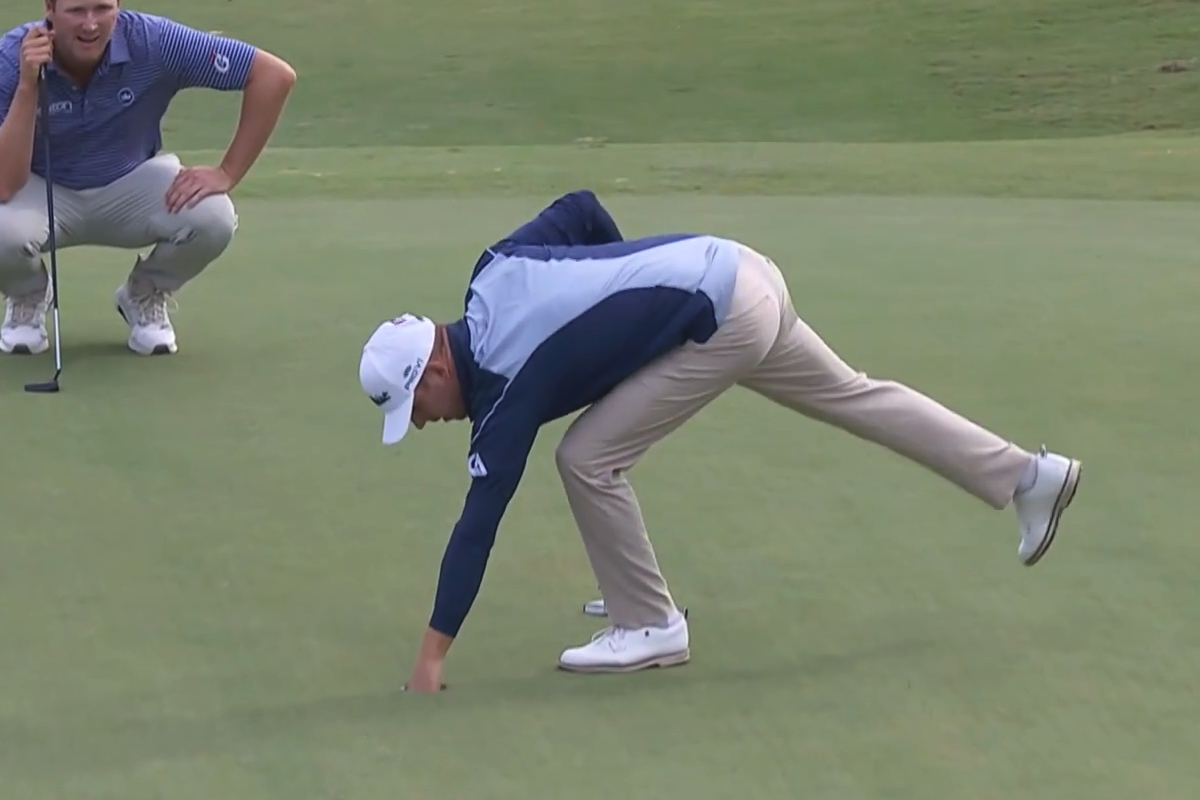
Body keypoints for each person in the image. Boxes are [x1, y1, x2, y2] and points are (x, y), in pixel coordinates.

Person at [357, 189, 1083, 692]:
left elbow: (477, 526)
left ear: (437, 368)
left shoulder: (505, 390)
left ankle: (650, 624)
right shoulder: (492, 271)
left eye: (417, 406)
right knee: (854, 394)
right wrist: (625, 313)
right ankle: (1028, 477)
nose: (422, 422)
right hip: (740, 268)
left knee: (585, 459)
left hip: (723, 317)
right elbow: (581, 209)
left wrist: (431, 658)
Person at [0, 2, 296, 356]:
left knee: (213, 217)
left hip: (130, 184)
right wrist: (28, 85)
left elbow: (273, 75)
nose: (90, 24)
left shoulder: (153, 41)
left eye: (102, 8)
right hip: (42, 188)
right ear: (50, 8)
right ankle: (27, 294)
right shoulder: (9, 58)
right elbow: (5, 183)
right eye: (76, 10)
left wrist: (227, 172)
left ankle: (145, 293)